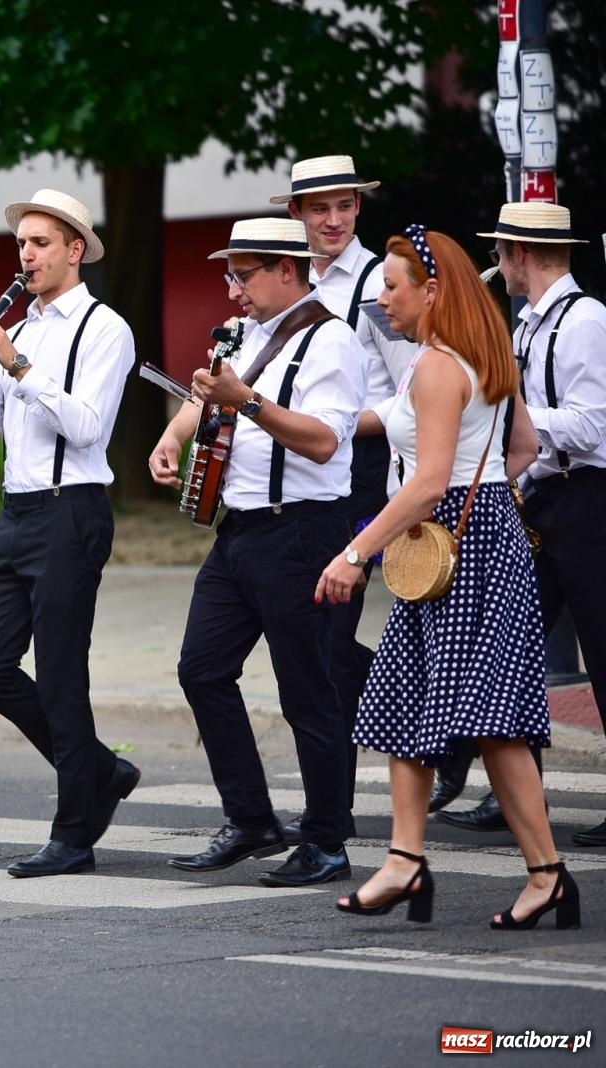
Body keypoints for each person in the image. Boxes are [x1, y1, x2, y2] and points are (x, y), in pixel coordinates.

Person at [317, 226, 579, 930]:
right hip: (476, 542)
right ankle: (405, 861)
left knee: (494, 726)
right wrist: (486, 491)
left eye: (393, 286)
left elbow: (428, 483)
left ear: (433, 290)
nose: (382, 298)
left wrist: (355, 552)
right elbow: (522, 447)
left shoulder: (436, 368)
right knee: (407, 704)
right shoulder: (478, 355)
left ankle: (547, 873)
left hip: (457, 552)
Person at [149, 217, 366, 888]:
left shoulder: (333, 340)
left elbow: (325, 440)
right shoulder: (245, 334)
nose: (233, 289)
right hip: (239, 531)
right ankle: (251, 819)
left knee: (309, 690)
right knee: (201, 669)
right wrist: (177, 433)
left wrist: (249, 401)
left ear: (284, 270)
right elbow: (205, 393)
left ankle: (327, 841)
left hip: (302, 530)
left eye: (241, 275)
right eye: (229, 276)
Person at [0, 188, 139, 878]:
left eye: (41, 243)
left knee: (59, 676)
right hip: (15, 513)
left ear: (74, 249)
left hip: (71, 510)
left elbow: (85, 426)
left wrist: (17, 368)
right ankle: (99, 770)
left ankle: (74, 833)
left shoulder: (105, 328)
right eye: (21, 243)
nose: (27, 256)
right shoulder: (14, 332)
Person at [434, 203, 606, 846]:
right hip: (544, 498)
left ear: (520, 254)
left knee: (601, 651)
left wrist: (520, 421)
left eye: (499, 252)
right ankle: (512, 792)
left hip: (589, 500)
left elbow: (593, 425)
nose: (495, 265)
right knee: (511, 649)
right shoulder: (530, 323)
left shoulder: (585, 321)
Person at [273, 155, 418, 844]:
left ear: (359, 209)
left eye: (345, 206)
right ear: (296, 214)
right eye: (318, 207)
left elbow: (408, 397)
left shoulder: (375, 285)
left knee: (327, 641)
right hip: (300, 480)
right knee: (325, 644)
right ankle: (430, 721)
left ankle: (334, 808)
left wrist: (330, 423)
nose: (333, 220)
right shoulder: (285, 283)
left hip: (359, 475)